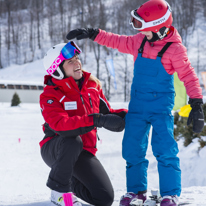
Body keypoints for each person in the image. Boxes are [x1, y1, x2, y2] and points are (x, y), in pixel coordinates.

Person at [66, 0, 204, 206]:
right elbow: (116, 40)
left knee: (165, 150)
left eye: (145, 30)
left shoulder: (175, 49)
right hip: (138, 107)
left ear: (159, 29)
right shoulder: (140, 41)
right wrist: (94, 33)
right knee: (132, 149)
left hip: (160, 109)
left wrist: (196, 103)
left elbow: (189, 76)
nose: (142, 34)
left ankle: (170, 193)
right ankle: (136, 191)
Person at [39, 41, 128, 206]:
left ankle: (69, 181)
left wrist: (131, 116)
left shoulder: (92, 86)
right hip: (56, 148)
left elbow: (107, 112)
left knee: (104, 198)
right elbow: (61, 125)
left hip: (84, 151)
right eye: (70, 61)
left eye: (77, 58)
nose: (77, 63)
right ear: (57, 70)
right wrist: (97, 120)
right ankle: (60, 192)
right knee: (73, 139)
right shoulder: (50, 94)